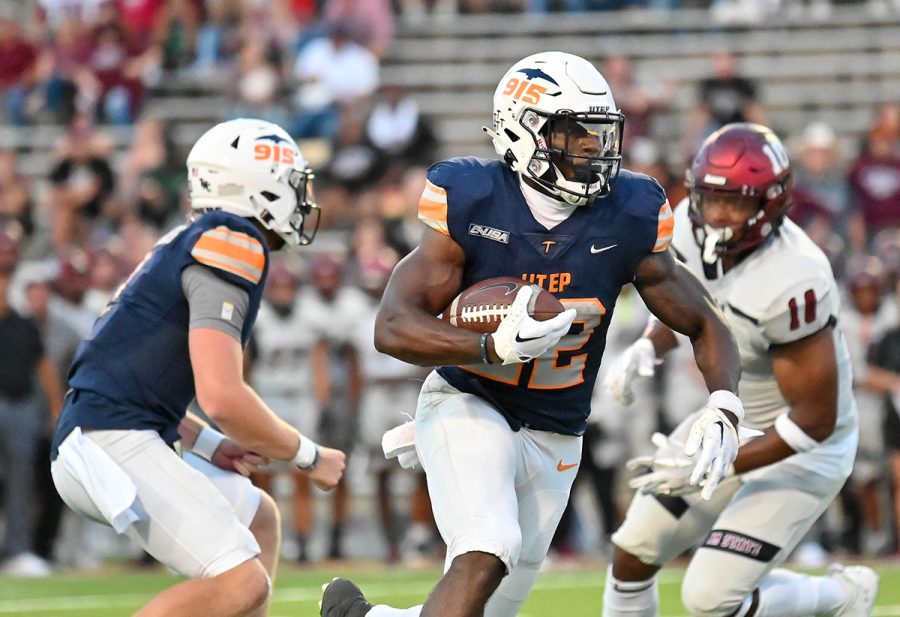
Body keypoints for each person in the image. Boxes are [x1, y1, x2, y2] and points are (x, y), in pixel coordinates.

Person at [321, 51, 748, 617]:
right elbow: (392, 325)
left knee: (491, 607)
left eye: (599, 134)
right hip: (472, 401)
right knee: (488, 548)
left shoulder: (630, 213)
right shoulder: (473, 200)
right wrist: (486, 347)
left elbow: (702, 321)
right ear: (524, 134)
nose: (594, 150)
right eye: (575, 135)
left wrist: (724, 404)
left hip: (557, 429)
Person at [49, 118, 346, 617]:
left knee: (259, 519)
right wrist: (309, 456)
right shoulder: (233, 241)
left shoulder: (194, 238)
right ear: (260, 186)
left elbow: (135, 376)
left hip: (108, 430)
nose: (302, 199)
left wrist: (209, 444)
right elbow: (222, 397)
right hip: (111, 441)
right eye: (293, 185)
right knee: (239, 581)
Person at [600, 123, 878, 617]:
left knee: (709, 600)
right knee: (633, 550)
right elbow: (697, 307)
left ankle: (839, 596)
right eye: (711, 198)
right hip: (730, 418)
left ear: (770, 204)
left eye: (738, 203)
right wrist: (649, 344)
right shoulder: (686, 221)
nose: (720, 216)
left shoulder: (797, 278)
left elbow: (814, 420)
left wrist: (720, 461)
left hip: (800, 447)